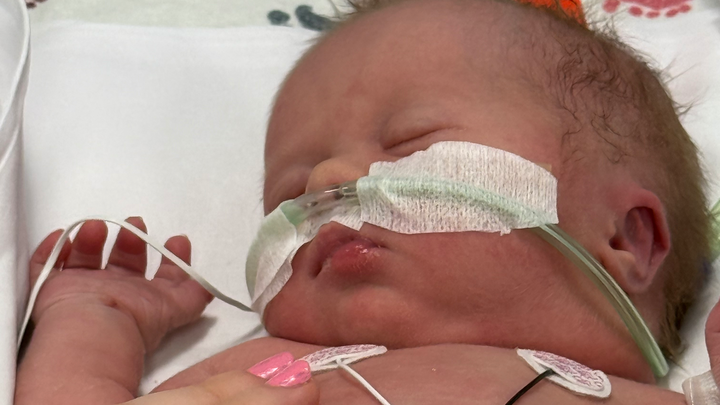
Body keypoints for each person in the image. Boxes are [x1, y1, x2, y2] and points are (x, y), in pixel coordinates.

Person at [14, 0, 714, 403]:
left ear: (625, 239)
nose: (326, 182)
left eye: (411, 143)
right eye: (289, 193)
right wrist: (94, 322)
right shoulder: (256, 368)